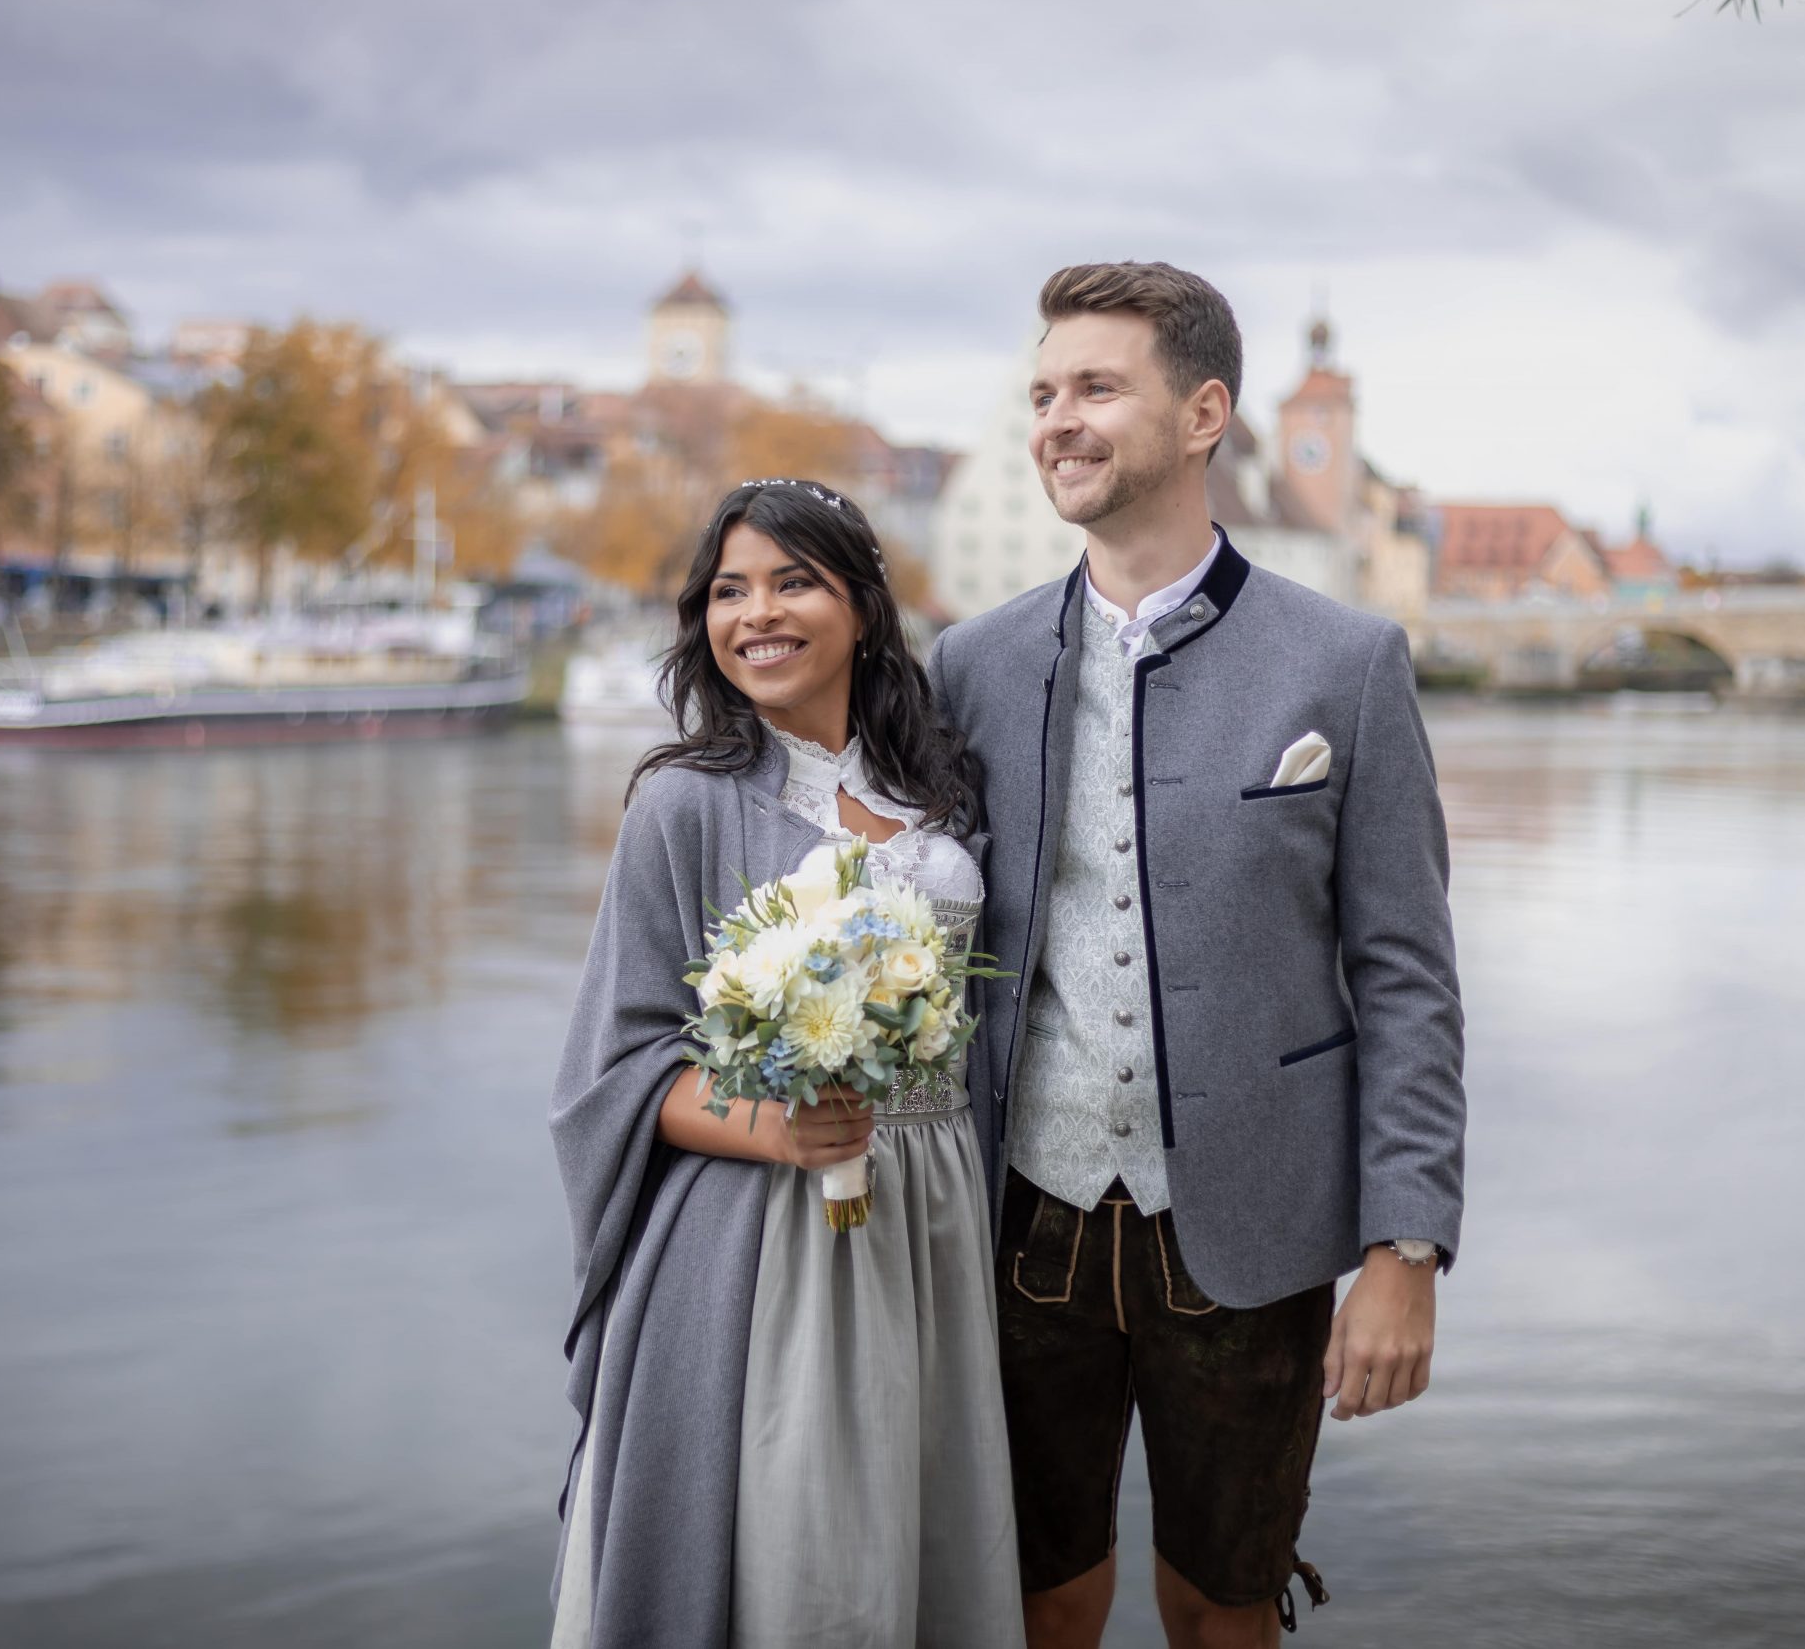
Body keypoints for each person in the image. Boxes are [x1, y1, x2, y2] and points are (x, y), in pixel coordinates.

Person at [928, 262, 1467, 1648]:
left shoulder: (1344, 660)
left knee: (1223, 1601)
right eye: (1044, 392)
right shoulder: (970, 664)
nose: (1056, 418)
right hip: (1024, 1216)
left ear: (1204, 412)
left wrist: (1404, 1242)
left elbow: (1404, 970)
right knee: (1039, 1590)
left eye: (1096, 387)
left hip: (1252, 1222)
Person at [548, 479, 1025, 1648]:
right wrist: (772, 1125)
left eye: (791, 581)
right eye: (728, 590)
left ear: (861, 604)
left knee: (924, 1540)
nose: (755, 613)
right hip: (764, 1236)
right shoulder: (683, 803)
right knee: (801, 1550)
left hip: (937, 1213)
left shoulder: (943, 789)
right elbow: (608, 1071)